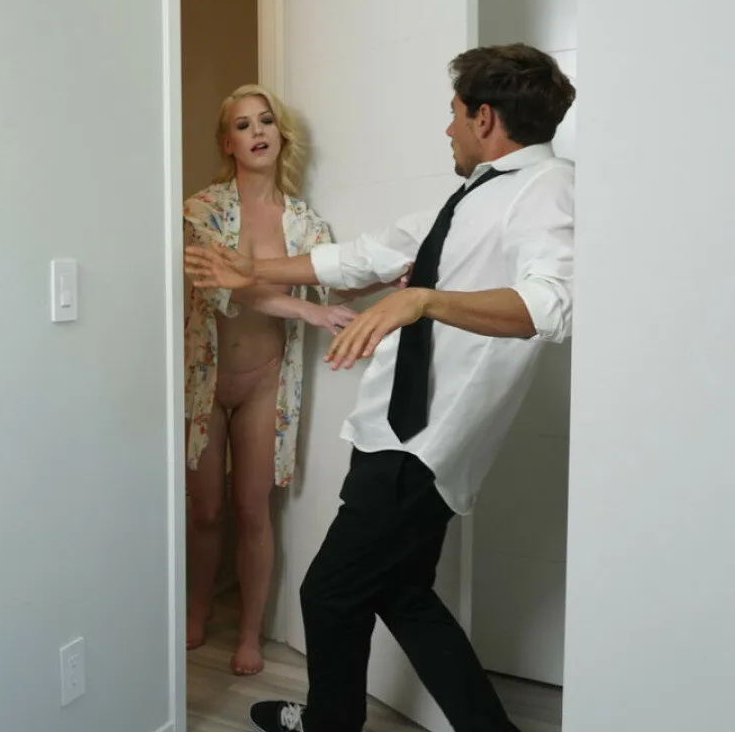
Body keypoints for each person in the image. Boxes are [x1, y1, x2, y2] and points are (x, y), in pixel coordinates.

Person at [185, 44, 575, 731]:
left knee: (329, 591)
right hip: (396, 429)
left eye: (455, 114)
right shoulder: (473, 195)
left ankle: (329, 724)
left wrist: (424, 300)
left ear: (485, 118)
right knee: (403, 593)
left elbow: (551, 303)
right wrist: (253, 270)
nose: (448, 129)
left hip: (423, 440)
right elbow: (363, 258)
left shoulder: (545, 187)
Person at [182, 84, 396, 676]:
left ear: (280, 134)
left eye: (266, 121)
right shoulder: (200, 210)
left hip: (265, 382)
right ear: (227, 143)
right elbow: (224, 285)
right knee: (205, 511)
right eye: (243, 125)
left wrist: (391, 280)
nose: (257, 132)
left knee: (253, 511)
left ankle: (250, 633)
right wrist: (308, 310)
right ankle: (197, 609)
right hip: (205, 379)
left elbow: (333, 281)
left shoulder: (304, 223)